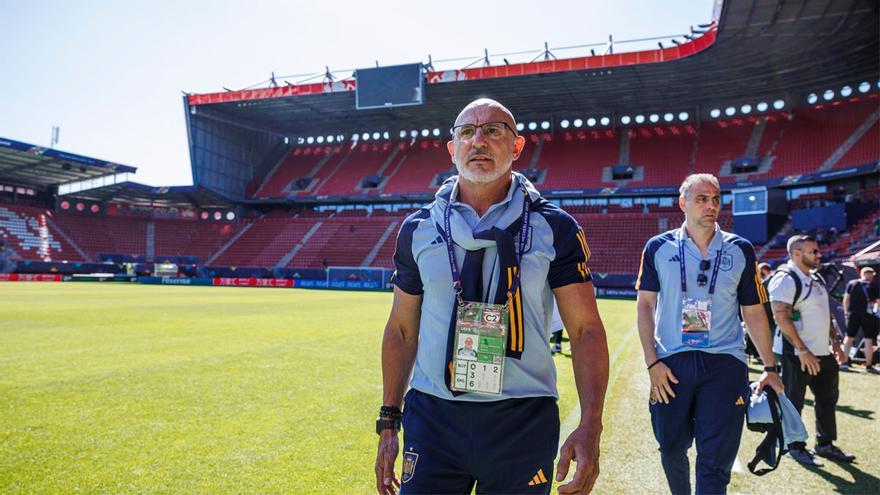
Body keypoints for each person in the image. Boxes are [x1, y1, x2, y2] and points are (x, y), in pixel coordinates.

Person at [375, 98, 609, 495]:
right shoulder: (417, 229)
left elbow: (586, 330)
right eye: (467, 132)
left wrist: (591, 426)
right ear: (453, 150)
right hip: (434, 416)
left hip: (523, 419)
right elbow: (401, 329)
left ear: (517, 147)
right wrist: (388, 422)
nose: (478, 140)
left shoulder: (554, 227)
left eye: (493, 130)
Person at [636, 173, 783, 495]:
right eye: (702, 199)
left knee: (715, 459)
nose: (711, 205)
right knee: (671, 448)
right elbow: (645, 305)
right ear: (683, 203)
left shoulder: (740, 248)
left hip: (725, 364)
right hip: (670, 365)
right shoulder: (658, 247)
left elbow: (754, 310)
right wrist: (652, 362)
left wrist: (770, 368)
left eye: (716, 199)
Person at [768, 235, 855, 466]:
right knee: (794, 401)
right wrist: (802, 350)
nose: (819, 255)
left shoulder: (815, 277)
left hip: (821, 351)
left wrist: (835, 342)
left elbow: (825, 311)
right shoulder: (785, 278)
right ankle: (794, 446)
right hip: (795, 353)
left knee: (827, 398)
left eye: (817, 251)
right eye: (813, 251)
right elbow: (781, 316)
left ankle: (825, 444)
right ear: (796, 253)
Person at [842, 266, 878, 372]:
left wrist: (846, 312)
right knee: (868, 339)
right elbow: (878, 302)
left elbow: (846, 299)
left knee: (849, 338)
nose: (871, 276)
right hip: (867, 314)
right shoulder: (873, 285)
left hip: (853, 314)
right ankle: (868, 365)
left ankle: (844, 362)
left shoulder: (852, 283)